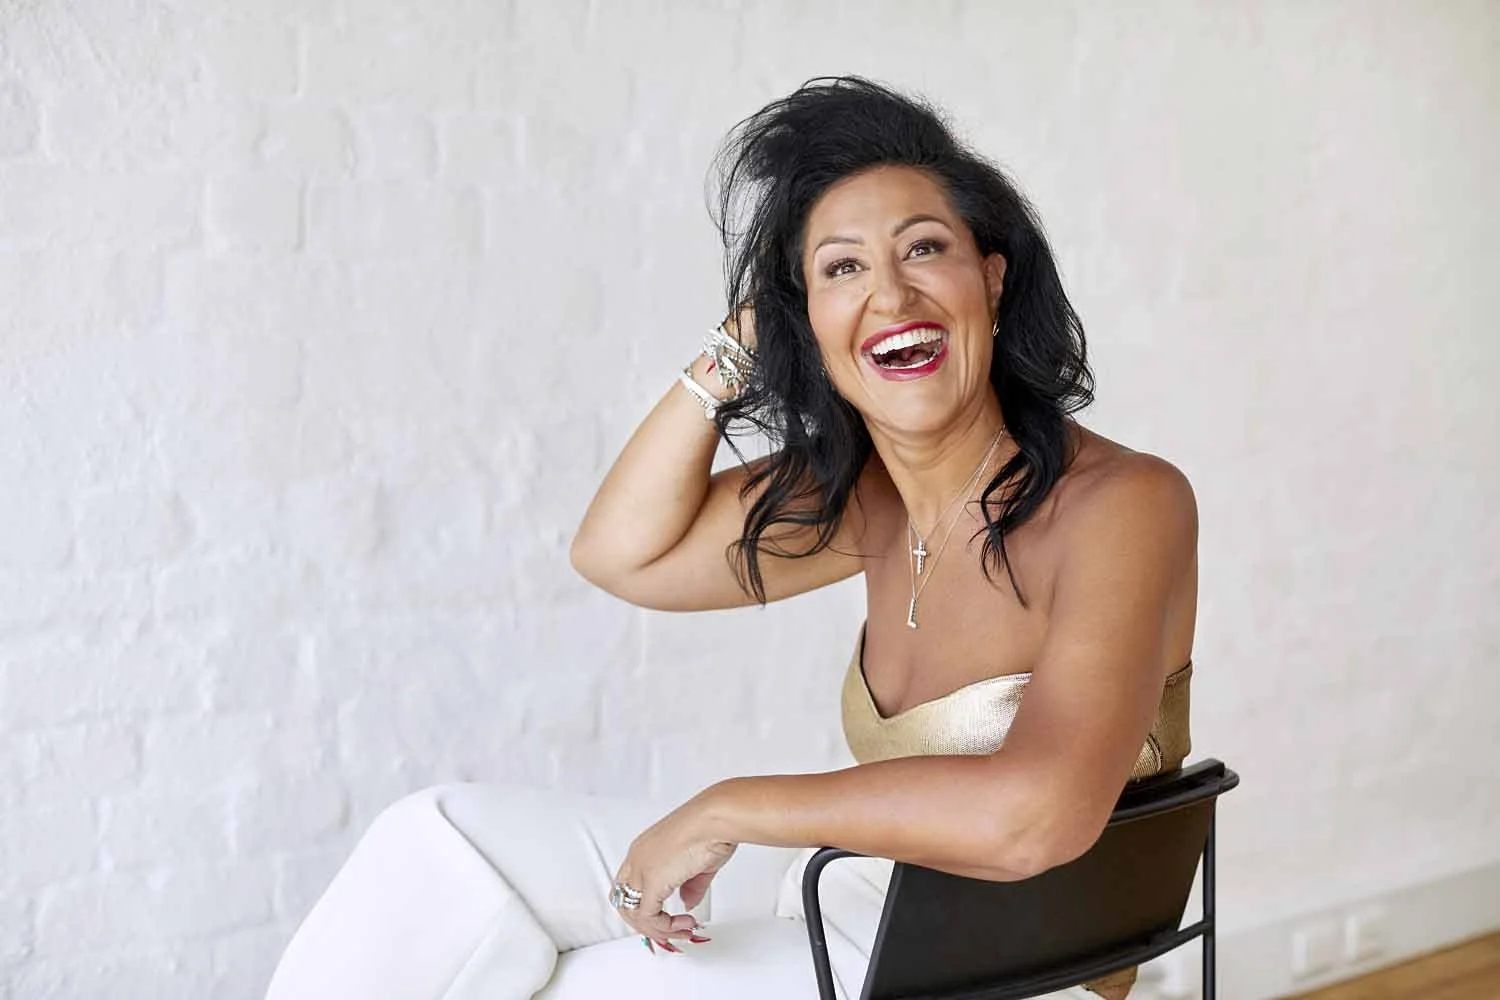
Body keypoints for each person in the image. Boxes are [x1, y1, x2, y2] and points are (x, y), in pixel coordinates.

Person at [266, 77, 1197, 1000]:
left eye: (924, 248)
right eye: (842, 268)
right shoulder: (868, 504)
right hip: (866, 902)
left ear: (991, 277)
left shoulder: (1121, 503)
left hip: (1024, 969)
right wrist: (746, 343)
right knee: (443, 842)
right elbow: (622, 553)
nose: (890, 292)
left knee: (582, 985)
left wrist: (731, 804)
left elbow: (1038, 819)